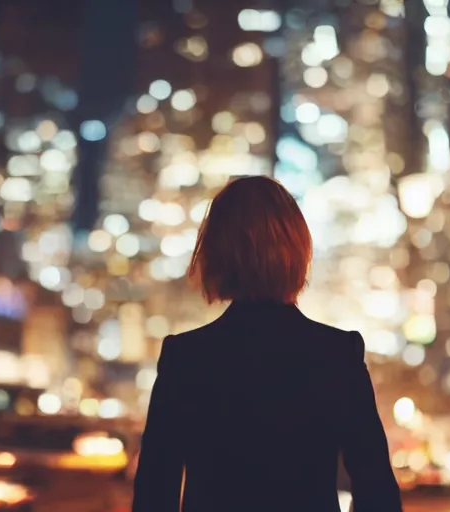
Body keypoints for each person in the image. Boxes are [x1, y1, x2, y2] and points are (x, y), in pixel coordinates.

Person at [132, 176, 402, 512]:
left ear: (215, 251)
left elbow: (154, 496)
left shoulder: (185, 358)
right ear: (298, 250)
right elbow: (378, 494)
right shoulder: (337, 354)